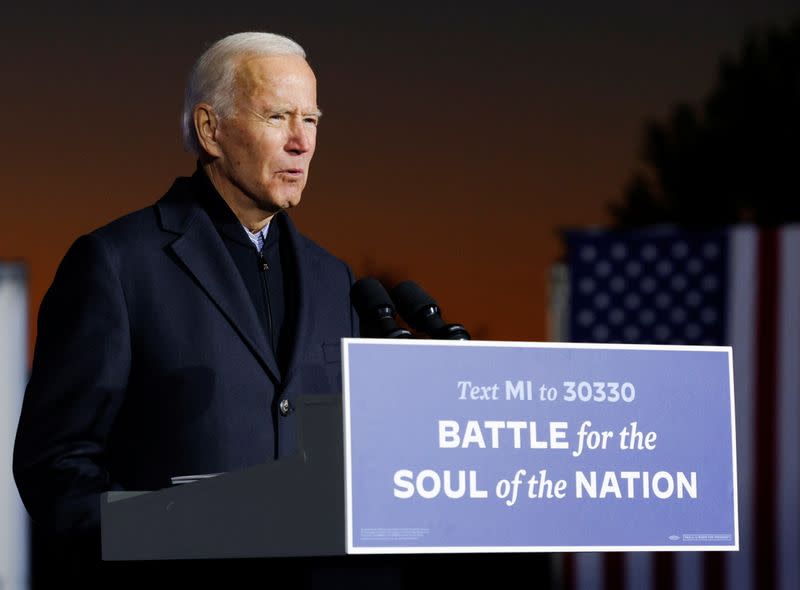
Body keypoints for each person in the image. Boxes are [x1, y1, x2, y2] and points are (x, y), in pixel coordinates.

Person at [13, 31, 359, 582]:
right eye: (277, 117)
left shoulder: (334, 279)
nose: (302, 142)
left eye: (311, 120)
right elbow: (55, 464)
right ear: (210, 129)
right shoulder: (115, 263)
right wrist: (154, 543)